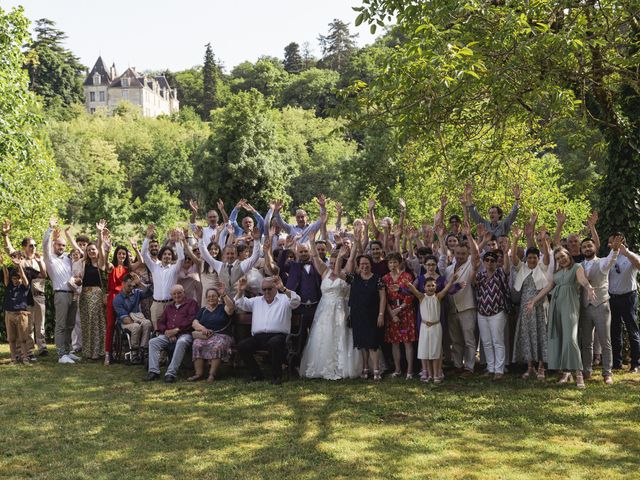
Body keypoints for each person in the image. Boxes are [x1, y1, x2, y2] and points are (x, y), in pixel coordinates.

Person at [527, 247, 596, 388]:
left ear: (568, 255)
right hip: (556, 307)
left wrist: (589, 287)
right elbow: (547, 288)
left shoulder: (577, 267)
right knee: (559, 338)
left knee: (571, 339)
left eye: (562, 256)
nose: (561, 260)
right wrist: (534, 300)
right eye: (558, 258)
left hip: (570, 306)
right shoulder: (557, 272)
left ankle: (579, 374)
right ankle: (566, 373)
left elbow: (582, 280)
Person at [299, 244, 362, 380]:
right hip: (325, 310)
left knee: (341, 335)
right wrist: (311, 241)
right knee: (324, 336)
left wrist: (356, 242)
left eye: (335, 262)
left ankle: (341, 366)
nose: (333, 265)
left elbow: (351, 259)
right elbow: (315, 257)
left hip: (341, 309)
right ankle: (322, 366)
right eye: (331, 262)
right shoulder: (324, 272)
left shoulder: (345, 272)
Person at [235, 276, 301, 385]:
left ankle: (276, 376)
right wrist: (240, 291)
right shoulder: (257, 301)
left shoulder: (285, 299)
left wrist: (283, 289)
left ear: (276, 288)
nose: (266, 291)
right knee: (242, 346)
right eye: (264, 289)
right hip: (259, 337)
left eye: (269, 289)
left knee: (274, 343)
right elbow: (239, 303)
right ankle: (257, 374)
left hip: (279, 336)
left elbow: (296, 300)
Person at [2, 221, 48, 357]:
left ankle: (42, 347)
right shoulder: (20, 260)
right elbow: (9, 249)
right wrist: (5, 235)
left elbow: (44, 275)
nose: (33, 247)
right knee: (27, 325)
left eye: (34, 245)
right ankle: (29, 350)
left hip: (39, 295)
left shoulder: (37, 260)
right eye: (31, 245)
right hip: (26, 296)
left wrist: (40, 262)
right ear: (24, 247)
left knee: (40, 324)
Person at [579, 235, 620, 384]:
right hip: (585, 306)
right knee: (586, 342)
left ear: (595, 247)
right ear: (581, 250)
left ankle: (607, 373)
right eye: (584, 247)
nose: (587, 248)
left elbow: (611, 260)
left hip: (601, 305)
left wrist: (615, 250)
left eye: (590, 246)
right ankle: (587, 370)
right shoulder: (579, 266)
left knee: (605, 341)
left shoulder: (602, 262)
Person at [510, 226, 550, 380]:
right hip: (526, 309)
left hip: (540, 307)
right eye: (530, 257)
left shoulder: (543, 268)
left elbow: (547, 256)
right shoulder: (522, 268)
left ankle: (541, 367)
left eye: (535, 257)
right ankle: (529, 367)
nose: (532, 260)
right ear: (526, 258)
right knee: (527, 336)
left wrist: (545, 240)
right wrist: (514, 240)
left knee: (541, 335)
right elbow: (513, 257)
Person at [403, 274, 456, 383]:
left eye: (432, 285)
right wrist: (408, 284)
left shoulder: (438, 297)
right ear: (424, 287)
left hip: (436, 327)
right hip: (424, 327)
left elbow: (446, 289)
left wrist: (451, 281)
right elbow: (414, 290)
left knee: (435, 352)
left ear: (436, 287)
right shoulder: (422, 297)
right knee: (425, 351)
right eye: (428, 286)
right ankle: (429, 374)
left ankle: (437, 374)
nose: (430, 287)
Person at [345, 250, 387, 380]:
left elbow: (383, 297)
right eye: (362, 264)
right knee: (362, 343)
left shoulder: (377, 278)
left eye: (367, 263)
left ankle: (376, 369)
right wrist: (342, 257)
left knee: (373, 342)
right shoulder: (354, 278)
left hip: (373, 314)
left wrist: (381, 314)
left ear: (371, 264)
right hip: (357, 314)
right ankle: (365, 368)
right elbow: (340, 274)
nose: (364, 266)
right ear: (358, 265)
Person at [43, 218, 80, 364]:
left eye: (63, 245)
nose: (61, 247)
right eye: (59, 244)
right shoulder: (49, 258)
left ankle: (67, 351)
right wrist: (50, 229)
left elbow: (78, 256)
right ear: (54, 245)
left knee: (70, 325)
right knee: (61, 325)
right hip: (60, 294)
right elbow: (45, 244)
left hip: (73, 293)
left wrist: (77, 281)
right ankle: (60, 355)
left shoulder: (68, 259)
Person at [472, 246, 511, 381]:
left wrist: (506, 253)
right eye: (487, 260)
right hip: (482, 312)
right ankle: (491, 368)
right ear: (483, 262)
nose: (489, 263)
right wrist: (475, 268)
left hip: (497, 312)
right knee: (486, 342)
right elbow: (472, 282)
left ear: (496, 262)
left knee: (497, 341)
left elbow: (507, 268)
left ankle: (499, 370)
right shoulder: (480, 275)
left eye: (492, 260)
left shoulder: (500, 273)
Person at [145, 285, 198, 383]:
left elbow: (191, 319)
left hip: (185, 334)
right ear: (171, 296)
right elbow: (160, 322)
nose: (177, 295)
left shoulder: (191, 303)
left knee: (181, 342)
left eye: (179, 293)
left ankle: (171, 373)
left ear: (184, 292)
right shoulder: (169, 307)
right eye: (174, 294)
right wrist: (166, 331)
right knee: (153, 342)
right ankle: (153, 372)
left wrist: (177, 330)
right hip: (169, 334)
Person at [196, 225, 261, 297]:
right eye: (228, 254)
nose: (230, 256)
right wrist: (200, 239)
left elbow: (255, 257)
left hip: (239, 303)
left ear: (236, 255)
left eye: (232, 254)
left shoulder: (242, 265)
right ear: (223, 255)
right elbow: (206, 255)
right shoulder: (219, 266)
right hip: (225, 304)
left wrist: (256, 240)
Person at [607, 233, 640, 373]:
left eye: (613, 242)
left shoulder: (631, 256)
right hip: (612, 298)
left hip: (628, 298)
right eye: (609, 242)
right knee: (615, 331)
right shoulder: (609, 257)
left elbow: (639, 265)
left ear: (622, 241)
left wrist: (626, 253)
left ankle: (635, 364)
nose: (610, 245)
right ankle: (616, 363)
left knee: (632, 330)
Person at [188, 285, 235, 382]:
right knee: (197, 344)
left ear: (218, 297)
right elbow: (194, 323)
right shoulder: (203, 310)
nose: (211, 298)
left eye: (213, 296)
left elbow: (231, 308)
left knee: (217, 345)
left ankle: (212, 375)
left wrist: (224, 295)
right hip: (206, 336)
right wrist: (202, 328)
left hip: (223, 335)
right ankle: (199, 374)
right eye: (209, 296)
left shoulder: (223, 308)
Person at [142, 225, 185, 329]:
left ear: (172, 257)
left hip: (171, 304)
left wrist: (178, 241)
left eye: (169, 254)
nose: (167, 256)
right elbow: (143, 253)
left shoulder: (174, 268)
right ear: (161, 256)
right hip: (156, 305)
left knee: (170, 332)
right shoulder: (154, 267)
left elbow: (182, 258)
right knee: (157, 333)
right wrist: (147, 237)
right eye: (165, 254)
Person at [382, 252, 417, 379]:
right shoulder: (385, 278)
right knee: (395, 342)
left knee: (407, 342)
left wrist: (400, 308)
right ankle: (397, 369)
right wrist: (391, 313)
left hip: (406, 312)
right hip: (391, 313)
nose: (392, 265)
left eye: (395, 262)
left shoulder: (407, 276)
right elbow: (383, 297)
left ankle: (409, 370)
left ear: (400, 262)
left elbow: (411, 295)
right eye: (390, 262)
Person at [112, 273, 153, 364]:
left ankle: (144, 350)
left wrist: (140, 283)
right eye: (129, 285)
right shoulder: (117, 299)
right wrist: (138, 321)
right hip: (125, 322)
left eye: (133, 285)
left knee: (147, 323)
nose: (131, 288)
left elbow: (150, 292)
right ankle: (134, 353)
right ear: (123, 284)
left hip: (137, 318)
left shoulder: (137, 292)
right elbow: (125, 319)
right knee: (136, 327)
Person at [78, 240, 107, 361]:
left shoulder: (101, 263)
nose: (91, 252)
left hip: (96, 294)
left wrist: (100, 235)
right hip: (84, 295)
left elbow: (101, 247)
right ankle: (87, 351)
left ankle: (98, 351)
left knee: (96, 322)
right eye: (88, 250)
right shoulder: (84, 263)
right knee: (86, 322)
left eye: (93, 249)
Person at [2, 252, 32, 364]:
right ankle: (14, 358)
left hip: (21, 314)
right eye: (14, 278)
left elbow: (24, 277)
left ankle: (25, 358)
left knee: (23, 338)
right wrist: (3, 264)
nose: (16, 280)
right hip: (9, 314)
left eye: (17, 278)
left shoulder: (24, 287)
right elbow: (6, 276)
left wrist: (19, 265)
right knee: (11, 338)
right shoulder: (9, 285)